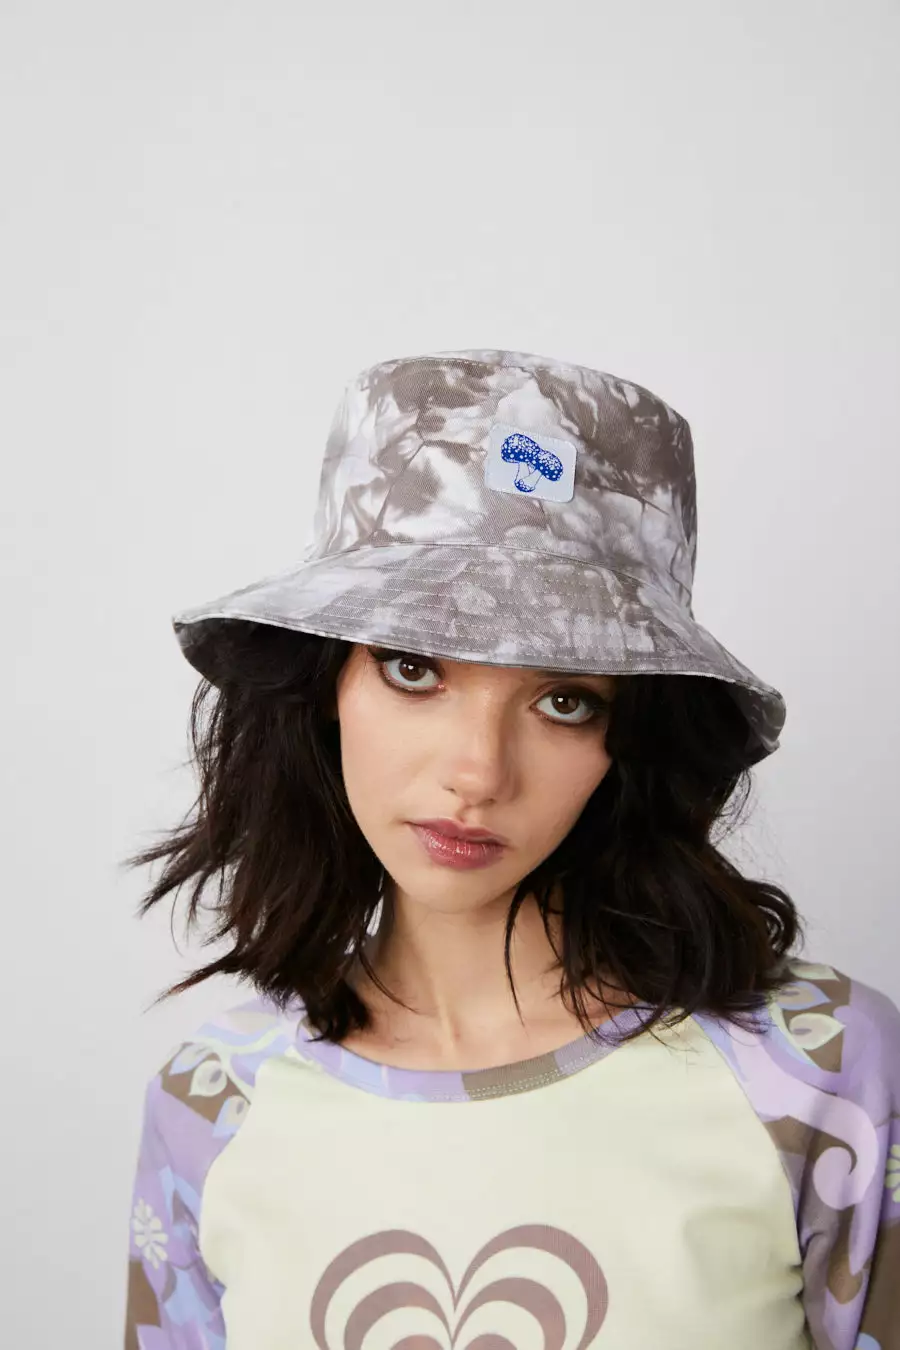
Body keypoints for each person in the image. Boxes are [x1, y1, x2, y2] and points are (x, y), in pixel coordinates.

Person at [122, 349, 900, 1350]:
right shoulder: (215, 1104)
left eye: (565, 700)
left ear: (632, 739)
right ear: (323, 688)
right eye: (413, 669)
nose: (479, 772)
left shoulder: (821, 1074)